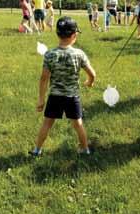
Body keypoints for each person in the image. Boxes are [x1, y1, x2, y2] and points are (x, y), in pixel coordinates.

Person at [29, 16, 96, 157]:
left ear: (57, 33)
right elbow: (92, 74)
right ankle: (85, 149)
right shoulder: (79, 54)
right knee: (78, 123)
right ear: (74, 35)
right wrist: (90, 81)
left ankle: (37, 150)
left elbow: (44, 79)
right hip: (72, 97)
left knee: (47, 123)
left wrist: (41, 99)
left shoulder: (50, 55)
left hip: (55, 96)